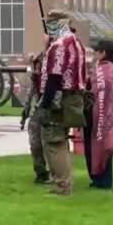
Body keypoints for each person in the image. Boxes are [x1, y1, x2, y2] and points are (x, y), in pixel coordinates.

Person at [36, 10, 87, 197]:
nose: (48, 26)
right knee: (61, 140)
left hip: (59, 99)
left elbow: (54, 77)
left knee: (54, 141)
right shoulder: (76, 42)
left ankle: (62, 186)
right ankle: (64, 183)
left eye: (51, 22)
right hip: (74, 97)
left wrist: (44, 104)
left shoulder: (58, 45)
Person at [85, 39, 113, 190]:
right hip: (101, 112)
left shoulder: (107, 70)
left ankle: (103, 181)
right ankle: (99, 179)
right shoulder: (105, 68)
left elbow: (103, 90)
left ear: (103, 53)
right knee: (98, 146)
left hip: (101, 113)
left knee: (101, 146)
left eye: (97, 51)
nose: (95, 54)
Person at [22, 49, 49, 184]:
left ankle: (54, 172)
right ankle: (41, 172)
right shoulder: (36, 78)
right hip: (36, 114)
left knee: (50, 145)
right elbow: (30, 94)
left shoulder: (52, 78)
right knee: (35, 144)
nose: (38, 67)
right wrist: (25, 112)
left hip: (49, 113)